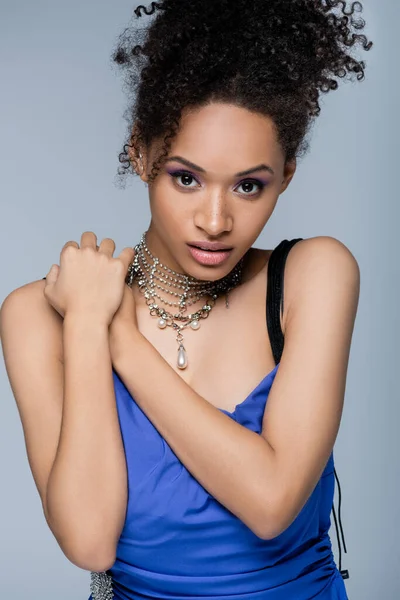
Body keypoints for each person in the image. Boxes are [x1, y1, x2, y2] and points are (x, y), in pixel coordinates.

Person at [0, 1, 372, 598]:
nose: (216, 220)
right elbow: (90, 542)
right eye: (186, 177)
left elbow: (271, 502)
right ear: (140, 154)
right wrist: (86, 328)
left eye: (250, 185)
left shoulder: (314, 275)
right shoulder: (36, 315)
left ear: (288, 173)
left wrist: (115, 334)